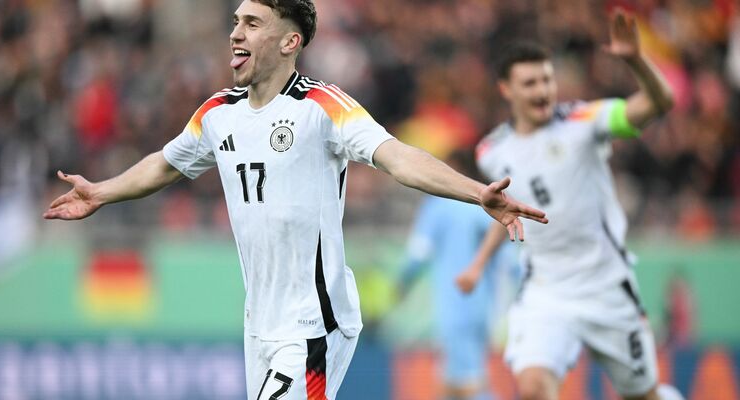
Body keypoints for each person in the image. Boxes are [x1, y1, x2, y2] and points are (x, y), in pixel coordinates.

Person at [42, 1, 547, 399]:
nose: (236, 33)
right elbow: (166, 163)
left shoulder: (322, 107)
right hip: (259, 324)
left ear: (290, 41)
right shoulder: (218, 112)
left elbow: (397, 157)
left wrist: (476, 193)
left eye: (253, 23)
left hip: (314, 323)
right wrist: (102, 192)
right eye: (236, 21)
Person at [455, 10, 683, 400]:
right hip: (546, 290)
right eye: (529, 83)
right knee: (532, 389)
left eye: (547, 79)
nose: (542, 90)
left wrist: (635, 61)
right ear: (506, 90)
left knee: (643, 394)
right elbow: (507, 211)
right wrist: (478, 263)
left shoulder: (584, 121)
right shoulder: (492, 150)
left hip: (606, 285)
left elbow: (660, 104)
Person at [398, 149, 517, 400]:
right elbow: (512, 262)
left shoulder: (439, 206)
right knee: (451, 384)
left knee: (469, 386)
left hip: (455, 306)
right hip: (485, 306)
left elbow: (418, 254)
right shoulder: (487, 208)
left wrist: (401, 284)